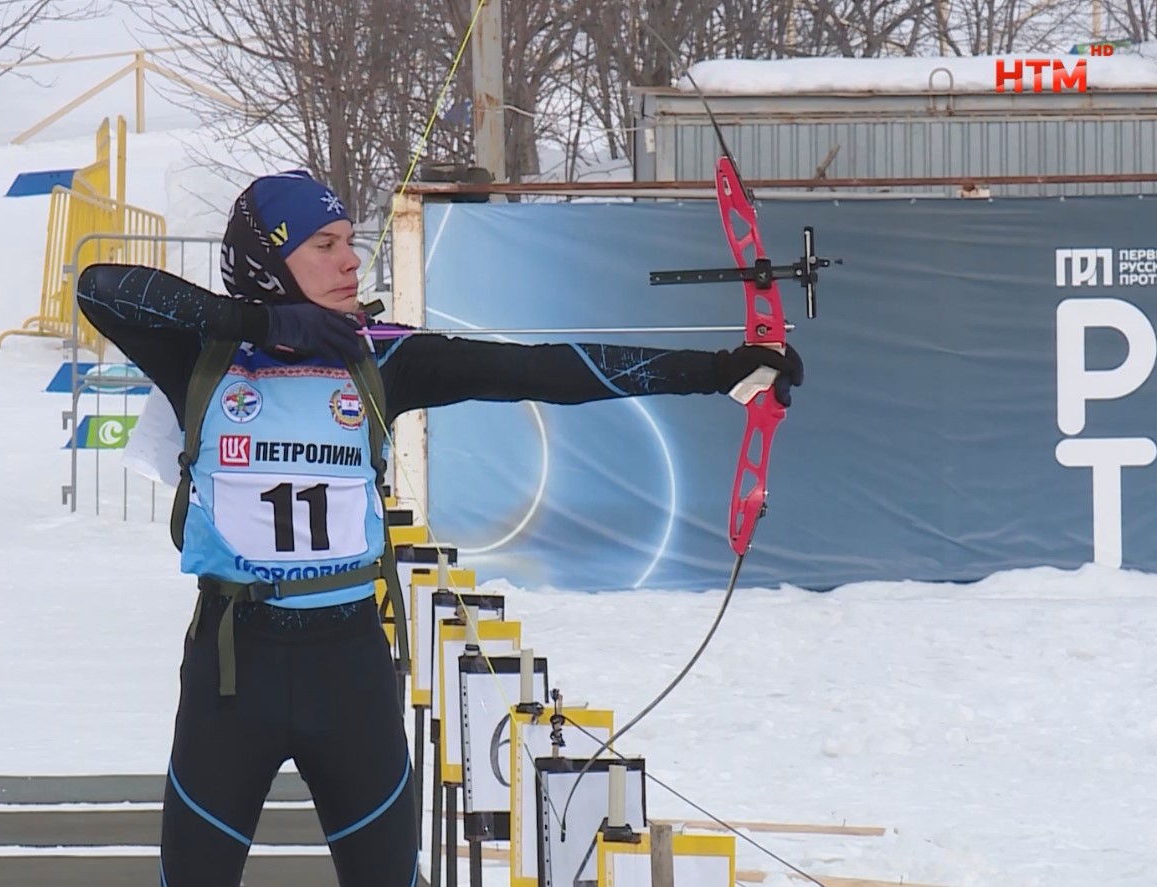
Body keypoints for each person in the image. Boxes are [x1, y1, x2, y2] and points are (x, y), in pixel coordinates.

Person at [73, 169, 804, 887]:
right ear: (269, 262)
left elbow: (544, 372)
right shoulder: (201, 356)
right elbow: (97, 286)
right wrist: (261, 324)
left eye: (349, 241)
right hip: (232, 668)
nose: (350, 259)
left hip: (347, 664)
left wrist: (717, 369)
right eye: (324, 244)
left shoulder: (380, 358)